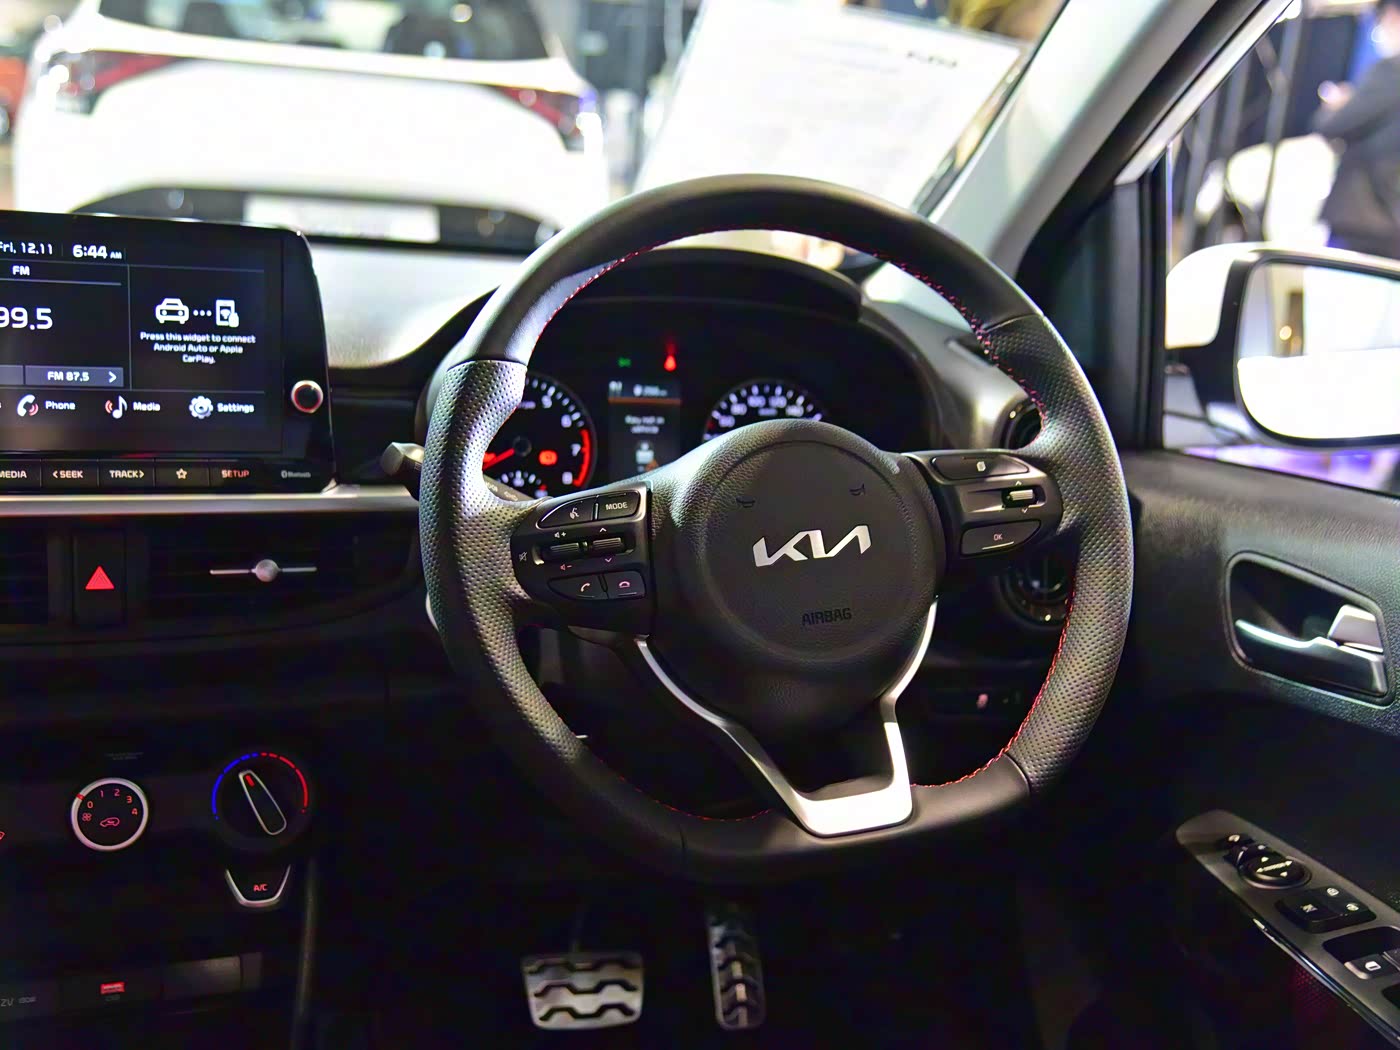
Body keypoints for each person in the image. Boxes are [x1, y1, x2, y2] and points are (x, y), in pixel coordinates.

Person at [1313, 0, 1400, 259]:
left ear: (1392, 16)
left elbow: (1331, 125)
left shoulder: (1390, 72)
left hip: (1364, 219)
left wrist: (1338, 104)